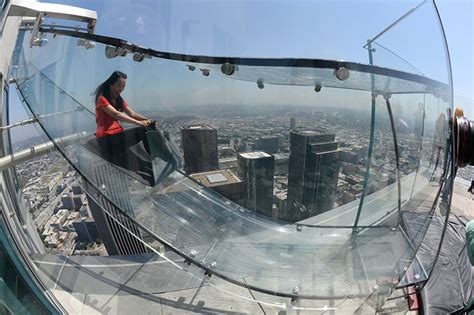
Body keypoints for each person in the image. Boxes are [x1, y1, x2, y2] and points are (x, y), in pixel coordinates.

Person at [93, 71, 156, 160]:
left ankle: (157, 158)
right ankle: (155, 160)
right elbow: (116, 114)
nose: (121, 89)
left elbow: (132, 113)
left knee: (148, 127)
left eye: (123, 86)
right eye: (119, 86)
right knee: (143, 130)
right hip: (107, 140)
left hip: (117, 137)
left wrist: (148, 120)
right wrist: (138, 122)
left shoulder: (118, 99)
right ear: (111, 85)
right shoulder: (102, 99)